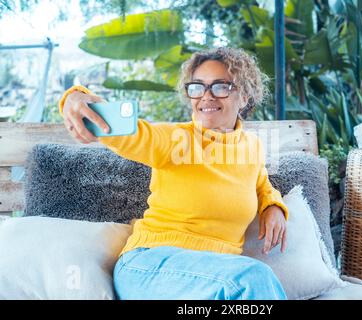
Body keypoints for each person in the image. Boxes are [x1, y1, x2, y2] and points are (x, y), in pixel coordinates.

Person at [58, 47, 289, 300]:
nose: (206, 97)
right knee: (253, 278)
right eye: (197, 87)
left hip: (213, 278)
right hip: (150, 266)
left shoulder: (252, 146)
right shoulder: (175, 139)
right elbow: (133, 134)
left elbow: (261, 183)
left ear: (244, 96)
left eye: (221, 86)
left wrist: (272, 206)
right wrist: (75, 97)